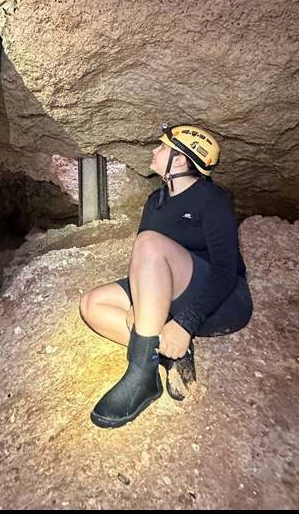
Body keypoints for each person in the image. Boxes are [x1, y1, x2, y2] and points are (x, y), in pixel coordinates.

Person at [78, 124, 253, 428]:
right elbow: (145, 264)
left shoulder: (210, 200)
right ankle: (169, 354)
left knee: (149, 242)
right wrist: (139, 305)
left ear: (182, 160)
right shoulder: (154, 202)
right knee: (91, 304)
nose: (154, 151)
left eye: (161, 147)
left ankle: (142, 376)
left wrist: (186, 323)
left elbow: (227, 272)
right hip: (168, 289)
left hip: (220, 301)